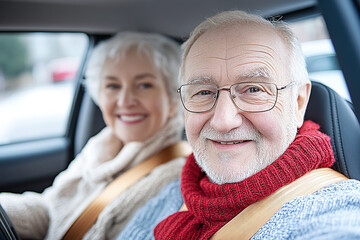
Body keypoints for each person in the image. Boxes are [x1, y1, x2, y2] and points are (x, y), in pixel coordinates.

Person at [150, 10, 360, 239]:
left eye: (254, 89)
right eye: (203, 92)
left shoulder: (333, 208)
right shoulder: (172, 191)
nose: (223, 122)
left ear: (299, 103)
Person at [0, 31, 188, 240]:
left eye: (144, 85)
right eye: (113, 86)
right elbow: (51, 210)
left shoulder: (176, 177)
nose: (125, 101)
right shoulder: (98, 149)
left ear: (173, 100)